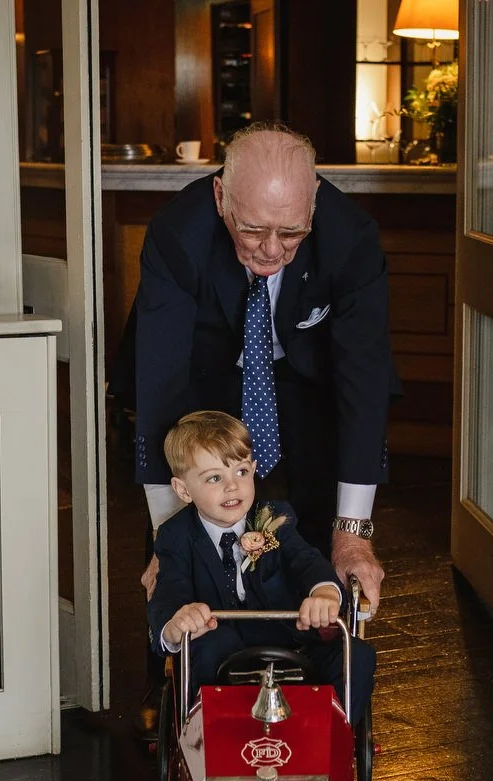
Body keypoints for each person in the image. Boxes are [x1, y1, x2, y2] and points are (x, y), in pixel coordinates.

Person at [131, 122, 398, 613]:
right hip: (203, 378)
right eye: (252, 229)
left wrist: (353, 534)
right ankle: (179, 674)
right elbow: (159, 381)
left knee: (316, 542)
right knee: (184, 556)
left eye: (292, 231)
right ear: (220, 196)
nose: (272, 250)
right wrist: (168, 539)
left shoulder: (350, 237)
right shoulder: (178, 232)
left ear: (314, 199)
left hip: (308, 382)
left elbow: (364, 378)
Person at [148, 411, 376, 718]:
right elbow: (169, 588)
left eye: (241, 472)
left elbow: (305, 560)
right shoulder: (175, 536)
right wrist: (176, 623)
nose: (232, 487)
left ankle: (326, 732)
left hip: (291, 645)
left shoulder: (274, 519)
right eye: (215, 478)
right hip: (222, 656)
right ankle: (214, 736)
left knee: (357, 656)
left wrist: (324, 594)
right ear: (184, 490)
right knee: (201, 647)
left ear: (254, 469)